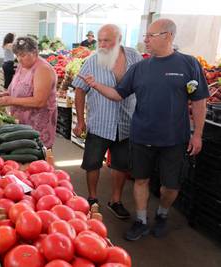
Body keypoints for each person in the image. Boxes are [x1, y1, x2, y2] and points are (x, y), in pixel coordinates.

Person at [81, 19, 209, 240]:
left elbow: (199, 101)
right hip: (141, 136)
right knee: (140, 180)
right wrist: (96, 85)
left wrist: (197, 134)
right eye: (145, 36)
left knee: (171, 186)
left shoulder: (188, 64)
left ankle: (162, 214)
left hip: (175, 139)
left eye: (151, 36)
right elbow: (118, 94)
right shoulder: (140, 67)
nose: (146, 40)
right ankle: (140, 220)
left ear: (168, 36)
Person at [72, 24, 143, 219]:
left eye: (107, 40)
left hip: (127, 122)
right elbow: (79, 89)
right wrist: (80, 121)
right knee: (92, 163)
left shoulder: (134, 57)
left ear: (119, 39)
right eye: (99, 40)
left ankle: (115, 200)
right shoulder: (92, 61)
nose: (101, 44)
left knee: (121, 164)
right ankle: (92, 198)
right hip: (100, 122)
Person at [0, 37, 57, 148]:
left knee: (38, 154)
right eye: (17, 55)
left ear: (35, 52)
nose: (19, 59)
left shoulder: (43, 70)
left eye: (23, 55)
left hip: (37, 125)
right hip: (22, 122)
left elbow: (39, 101)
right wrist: (5, 94)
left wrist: (11, 100)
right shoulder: (22, 66)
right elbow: (15, 87)